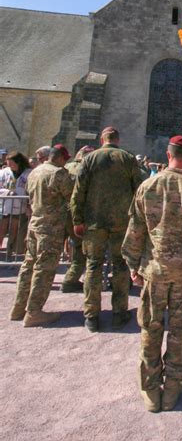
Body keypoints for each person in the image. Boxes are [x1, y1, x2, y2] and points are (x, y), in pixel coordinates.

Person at [122, 135, 182, 412]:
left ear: (167, 153)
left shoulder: (148, 186)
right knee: (179, 329)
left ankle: (151, 389)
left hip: (154, 269)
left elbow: (135, 232)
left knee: (150, 327)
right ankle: (173, 387)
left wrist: (132, 267)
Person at [70, 126, 143, 332]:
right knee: (120, 266)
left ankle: (91, 316)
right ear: (117, 140)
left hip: (94, 223)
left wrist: (77, 220)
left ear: (102, 140)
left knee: (93, 266)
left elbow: (78, 193)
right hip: (121, 223)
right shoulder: (128, 159)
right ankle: (119, 313)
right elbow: (139, 190)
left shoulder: (90, 159)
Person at [9, 145, 74, 326]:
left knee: (28, 265)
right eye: (65, 159)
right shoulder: (58, 174)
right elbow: (71, 196)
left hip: (35, 225)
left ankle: (19, 307)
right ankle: (34, 312)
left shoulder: (35, 172)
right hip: (50, 228)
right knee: (44, 269)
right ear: (59, 158)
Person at [61, 145, 95, 293]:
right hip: (77, 213)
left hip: (60, 212)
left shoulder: (66, 167)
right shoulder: (87, 169)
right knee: (81, 248)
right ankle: (71, 280)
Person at [0, 151, 31, 257]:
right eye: (8, 163)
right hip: (4, 205)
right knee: (1, 230)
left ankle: (9, 253)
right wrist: (7, 192)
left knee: (14, 231)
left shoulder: (28, 173)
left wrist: (28, 204)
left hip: (20, 206)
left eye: (12, 163)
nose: (9, 165)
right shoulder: (4, 172)